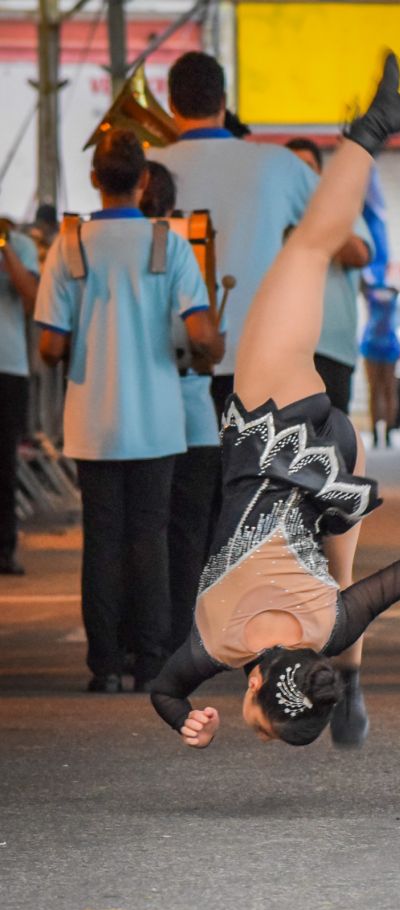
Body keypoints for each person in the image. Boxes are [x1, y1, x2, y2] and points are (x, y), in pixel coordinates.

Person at [149, 53, 400, 751]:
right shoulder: (212, 642)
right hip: (276, 432)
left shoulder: (329, 626)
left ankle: (351, 685)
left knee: (349, 578)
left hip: (335, 463)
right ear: (252, 684)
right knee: (307, 249)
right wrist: (182, 717)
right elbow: (164, 689)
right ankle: (370, 131)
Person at [35, 129, 222, 693]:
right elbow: (200, 334)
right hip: (158, 420)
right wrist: (213, 344)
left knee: (102, 539)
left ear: (95, 179)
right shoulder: (169, 245)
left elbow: (49, 346)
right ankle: (151, 661)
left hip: (91, 421)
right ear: (143, 180)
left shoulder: (69, 246)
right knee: (150, 536)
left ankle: (105, 666)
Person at [147, 52, 318, 424]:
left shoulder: (146, 169)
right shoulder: (277, 163)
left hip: (168, 361)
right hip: (260, 360)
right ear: (224, 102)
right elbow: (351, 233)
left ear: (171, 103)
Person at [139, 160, 225, 653]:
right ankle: (182, 641)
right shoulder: (184, 244)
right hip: (190, 414)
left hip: (133, 420)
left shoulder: (93, 244)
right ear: (171, 204)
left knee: (136, 535)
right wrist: (216, 344)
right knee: (189, 537)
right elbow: (203, 339)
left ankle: (136, 643)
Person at [285, 137, 373, 414]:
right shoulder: (272, 213)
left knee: (331, 438)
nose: (301, 176)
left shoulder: (342, 209)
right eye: (294, 169)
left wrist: (315, 217)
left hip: (331, 351)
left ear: (319, 174)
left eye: (308, 168)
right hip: (283, 350)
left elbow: (360, 255)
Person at [0, 218, 40, 574]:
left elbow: (32, 299)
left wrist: (4, 247)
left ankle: (4, 549)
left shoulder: (20, 245)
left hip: (8, 367)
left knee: (4, 464)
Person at [359, 283, 400, 447]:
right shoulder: (373, 288)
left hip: (385, 343)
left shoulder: (388, 288)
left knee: (386, 389)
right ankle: (376, 433)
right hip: (374, 343)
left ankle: (388, 431)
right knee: (377, 390)